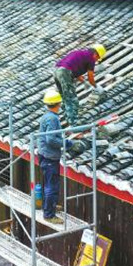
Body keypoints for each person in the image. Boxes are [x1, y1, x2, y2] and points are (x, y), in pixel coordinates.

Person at [39, 88, 74, 223]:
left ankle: (49, 206)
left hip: (44, 154)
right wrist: (67, 143)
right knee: (51, 186)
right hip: (50, 157)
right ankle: (49, 214)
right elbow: (51, 139)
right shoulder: (53, 119)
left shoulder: (46, 116)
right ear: (58, 104)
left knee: (48, 183)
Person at [53, 45, 107, 125]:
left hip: (56, 71)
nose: (96, 60)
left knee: (64, 96)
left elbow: (75, 72)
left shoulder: (79, 53)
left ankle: (68, 116)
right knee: (72, 98)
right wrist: (96, 87)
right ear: (95, 54)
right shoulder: (91, 58)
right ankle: (73, 122)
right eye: (97, 58)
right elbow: (90, 77)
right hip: (64, 73)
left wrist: (84, 82)